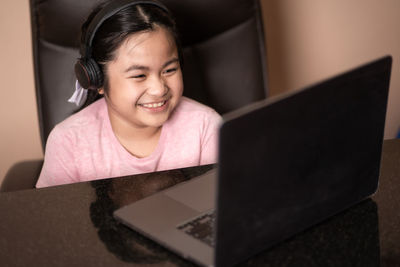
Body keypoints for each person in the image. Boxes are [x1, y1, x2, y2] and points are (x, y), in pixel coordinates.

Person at [36, 0, 221, 188]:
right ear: (97, 79)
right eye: (139, 75)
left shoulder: (205, 128)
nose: (159, 89)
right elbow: (53, 215)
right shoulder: (68, 142)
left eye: (169, 70)